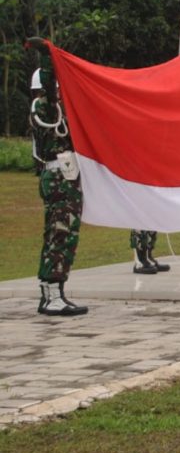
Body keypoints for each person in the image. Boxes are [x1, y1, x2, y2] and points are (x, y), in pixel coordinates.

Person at [25, 37, 88, 316]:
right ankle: (52, 295)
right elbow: (51, 88)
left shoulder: (54, 107)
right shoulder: (45, 107)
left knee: (65, 235)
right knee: (58, 236)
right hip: (59, 180)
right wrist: (48, 55)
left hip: (66, 180)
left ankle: (54, 292)